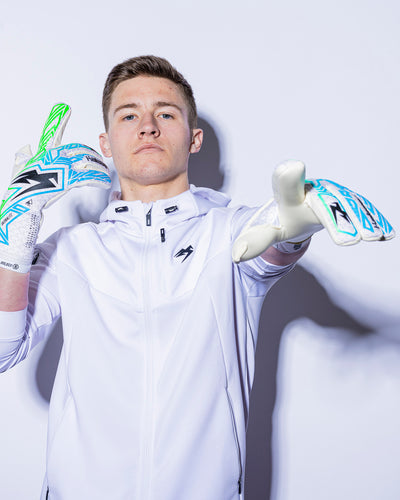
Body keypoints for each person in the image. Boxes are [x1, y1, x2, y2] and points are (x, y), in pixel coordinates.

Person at [0, 56, 394, 500]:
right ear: (105, 143)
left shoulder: (229, 231)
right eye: (128, 115)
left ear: (194, 139)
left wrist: (299, 222)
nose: (147, 126)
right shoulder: (72, 249)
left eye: (166, 114)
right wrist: (14, 229)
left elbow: (274, 241)